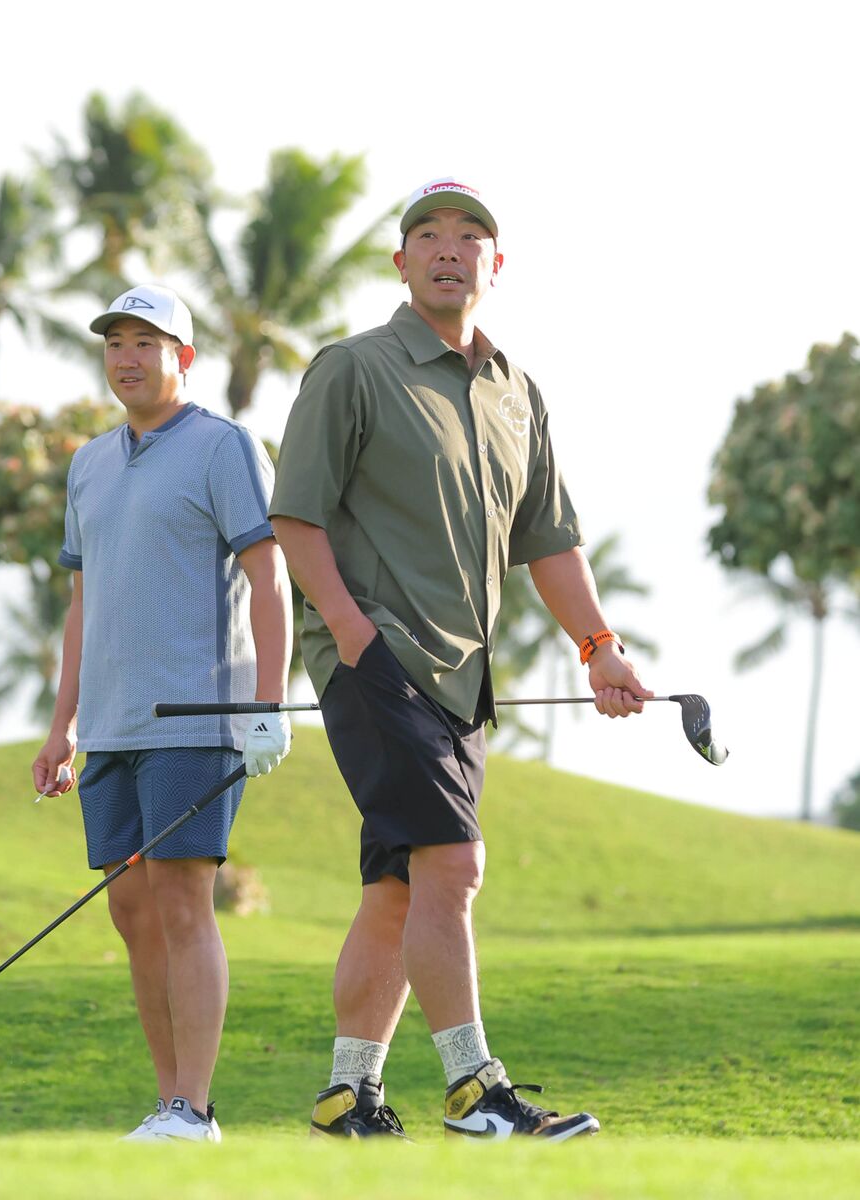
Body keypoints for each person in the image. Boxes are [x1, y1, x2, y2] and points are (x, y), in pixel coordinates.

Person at [269, 178, 652, 1142]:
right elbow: (294, 517)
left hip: (461, 680)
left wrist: (598, 645)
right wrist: (354, 639)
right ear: (399, 261)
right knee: (452, 865)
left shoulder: (515, 391)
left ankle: (346, 1095)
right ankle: (474, 1088)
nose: (449, 248)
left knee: (398, 888)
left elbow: (549, 540)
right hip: (377, 660)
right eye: (427, 234)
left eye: (469, 236)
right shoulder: (350, 369)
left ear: (495, 264)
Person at [33, 284, 292, 1144]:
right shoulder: (89, 463)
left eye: (147, 342)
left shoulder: (225, 447)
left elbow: (268, 579)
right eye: (115, 344)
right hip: (108, 728)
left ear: (183, 357)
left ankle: (195, 1105)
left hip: (195, 717)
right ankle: (167, 1103)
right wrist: (62, 725)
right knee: (131, 912)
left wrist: (267, 708)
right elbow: (83, 604)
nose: (127, 357)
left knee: (183, 902)